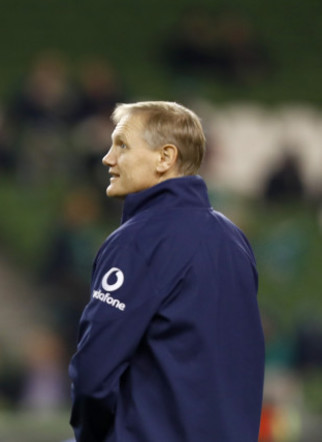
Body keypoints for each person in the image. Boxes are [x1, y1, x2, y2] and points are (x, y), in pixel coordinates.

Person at [69, 101, 264, 441]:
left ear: (165, 157)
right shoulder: (234, 240)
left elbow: (93, 373)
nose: (108, 158)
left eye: (122, 145)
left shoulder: (136, 242)